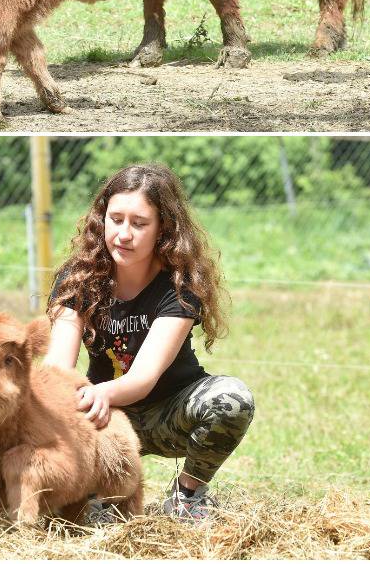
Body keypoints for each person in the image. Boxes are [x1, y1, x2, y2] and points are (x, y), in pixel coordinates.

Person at [45, 164, 255, 519]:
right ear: (102, 220)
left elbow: (142, 379)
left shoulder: (180, 285)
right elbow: (57, 368)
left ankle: (188, 495)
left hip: (169, 412)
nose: (123, 234)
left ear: (163, 230)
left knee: (233, 399)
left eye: (139, 224)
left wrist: (98, 394)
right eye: (115, 219)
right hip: (106, 418)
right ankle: (92, 495)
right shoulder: (77, 279)